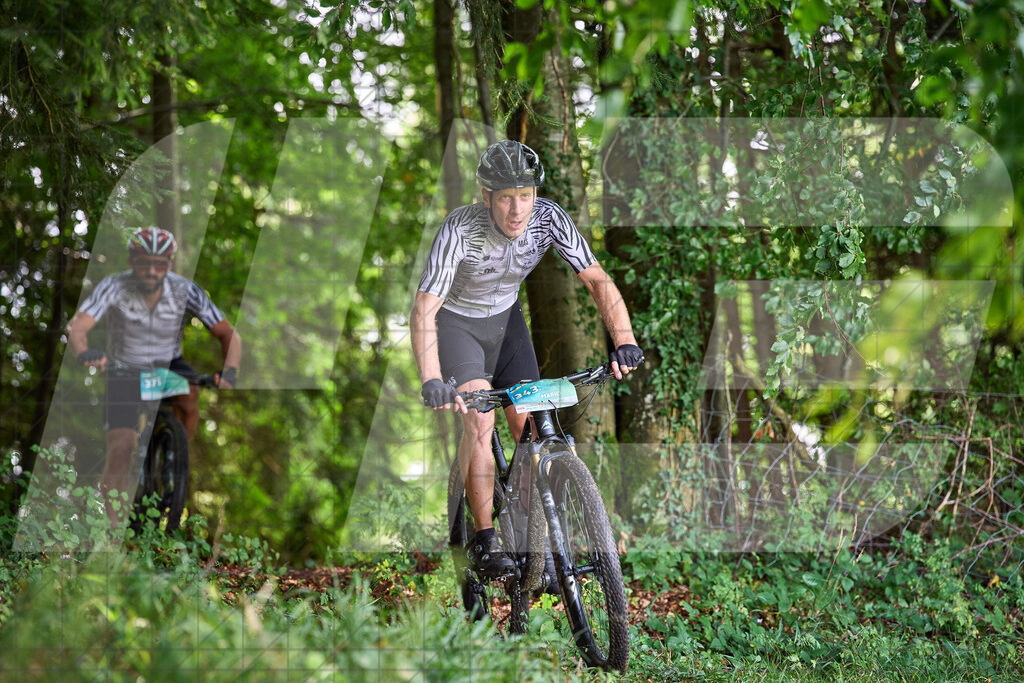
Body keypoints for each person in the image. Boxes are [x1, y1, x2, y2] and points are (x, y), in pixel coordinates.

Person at [411, 140, 643, 579]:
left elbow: (596, 279)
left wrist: (624, 340)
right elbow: (424, 307)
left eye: (525, 196)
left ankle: (532, 529)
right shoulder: (459, 229)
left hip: (508, 322)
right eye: (505, 197)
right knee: (479, 422)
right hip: (457, 326)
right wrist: (431, 377)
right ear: (486, 197)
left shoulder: (549, 218)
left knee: (531, 427)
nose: (517, 210)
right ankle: (483, 540)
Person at [66, 226, 241, 524]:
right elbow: (78, 326)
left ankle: (173, 459)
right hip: (124, 367)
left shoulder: (185, 290)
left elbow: (228, 334)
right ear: (131, 260)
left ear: (169, 264)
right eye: (144, 262)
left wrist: (230, 371)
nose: (151, 270)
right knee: (122, 447)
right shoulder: (115, 286)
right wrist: (84, 352)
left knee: (189, 393)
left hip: (167, 364)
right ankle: (111, 530)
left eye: (159, 264)